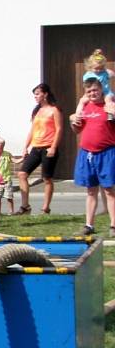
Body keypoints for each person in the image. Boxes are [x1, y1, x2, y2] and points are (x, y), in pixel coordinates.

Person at [70, 77, 115, 236]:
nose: (93, 93)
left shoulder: (109, 105)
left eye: (95, 90)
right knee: (91, 191)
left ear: (101, 89)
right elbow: (77, 130)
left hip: (107, 153)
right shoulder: (85, 108)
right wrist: (73, 121)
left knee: (109, 190)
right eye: (89, 91)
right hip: (87, 154)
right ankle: (89, 225)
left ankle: (113, 226)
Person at [16, 83, 62, 215]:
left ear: (45, 94)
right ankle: (25, 206)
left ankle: (46, 208)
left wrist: (53, 147)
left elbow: (59, 130)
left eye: (37, 94)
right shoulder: (36, 111)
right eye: (34, 94)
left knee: (47, 178)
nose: (35, 97)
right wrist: (25, 147)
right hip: (36, 147)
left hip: (48, 147)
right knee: (22, 174)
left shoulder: (54, 110)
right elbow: (32, 130)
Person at [0, 149, 15, 216]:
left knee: (9, 197)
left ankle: (11, 211)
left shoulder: (7, 154)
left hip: (7, 179)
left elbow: (15, 160)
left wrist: (23, 158)